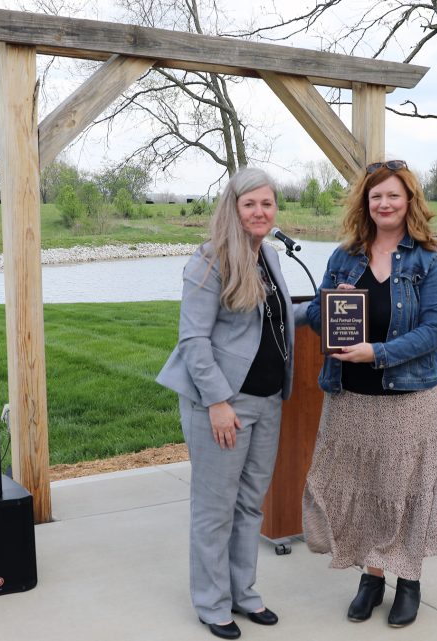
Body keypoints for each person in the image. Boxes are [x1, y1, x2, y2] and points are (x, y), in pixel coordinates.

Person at [298, 159, 437, 628]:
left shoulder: (428, 259)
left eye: (393, 195)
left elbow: (436, 327)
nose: (384, 204)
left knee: (405, 491)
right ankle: (371, 577)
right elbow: (315, 315)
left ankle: (409, 581)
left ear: (409, 201)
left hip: (409, 400)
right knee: (365, 490)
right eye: (376, 196)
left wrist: (378, 353)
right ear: (365, 204)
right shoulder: (344, 256)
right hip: (350, 397)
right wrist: (334, 307)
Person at [156, 167, 294, 640]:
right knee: (215, 510)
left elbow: (271, 319)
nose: (260, 212)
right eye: (249, 204)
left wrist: (322, 310)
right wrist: (216, 401)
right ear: (233, 209)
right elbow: (193, 340)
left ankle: (243, 594)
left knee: (250, 506)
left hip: (268, 401)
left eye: (267, 204)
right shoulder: (209, 260)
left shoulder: (268, 255)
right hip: (224, 406)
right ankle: (212, 604)